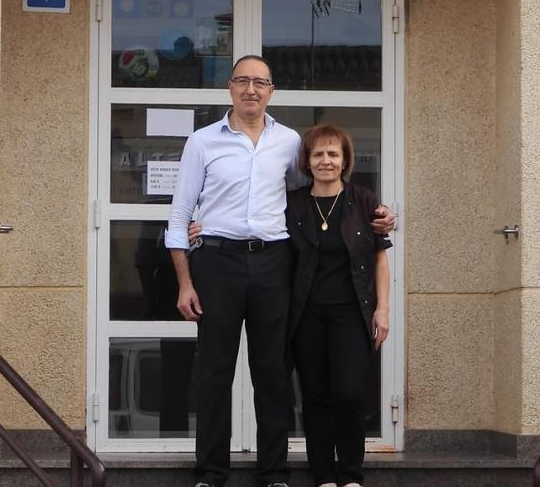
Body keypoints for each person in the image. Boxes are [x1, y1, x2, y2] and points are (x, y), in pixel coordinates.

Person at [165, 55, 393, 487]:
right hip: (217, 261)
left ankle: (274, 473)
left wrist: (375, 214)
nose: (251, 89)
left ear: (271, 91)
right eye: (242, 81)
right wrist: (185, 282)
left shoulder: (289, 142)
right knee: (215, 372)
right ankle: (211, 473)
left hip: (274, 263)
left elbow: (317, 193)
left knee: (272, 372)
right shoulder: (202, 142)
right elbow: (178, 217)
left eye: (260, 83)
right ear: (230, 87)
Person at [285, 125, 390, 487]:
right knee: (315, 397)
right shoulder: (293, 204)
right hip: (307, 314)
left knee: (348, 394)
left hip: (352, 313)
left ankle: (350, 474)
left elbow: (379, 258)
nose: (325, 161)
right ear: (307, 161)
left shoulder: (363, 201)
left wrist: (382, 310)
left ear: (345, 160)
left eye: (333, 154)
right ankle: (323, 475)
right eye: (318, 154)